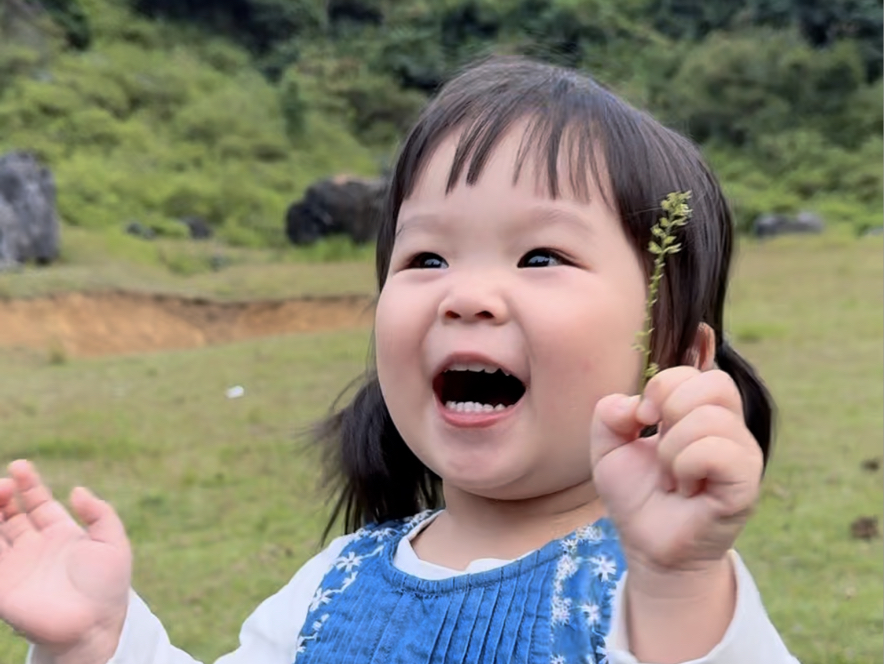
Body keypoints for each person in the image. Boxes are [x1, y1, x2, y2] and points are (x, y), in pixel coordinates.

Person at [0, 56, 799, 664]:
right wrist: (99, 639)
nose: (468, 296)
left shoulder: (663, 584)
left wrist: (683, 584)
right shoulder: (337, 583)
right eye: (426, 259)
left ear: (675, 358)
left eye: (541, 256)